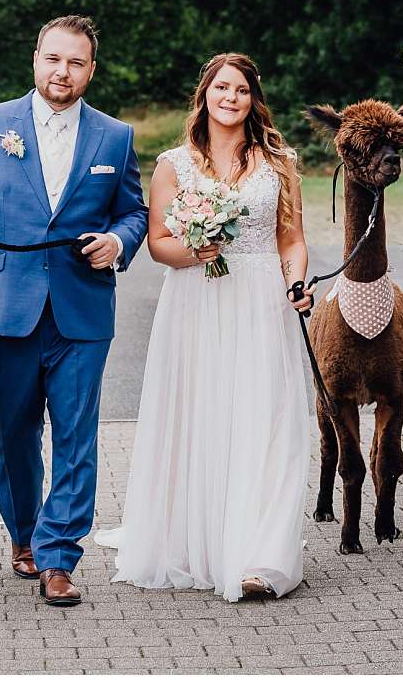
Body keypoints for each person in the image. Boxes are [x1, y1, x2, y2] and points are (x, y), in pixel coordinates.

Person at [0, 15, 149, 606]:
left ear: (91, 69)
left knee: (77, 438)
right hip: (6, 309)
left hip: (82, 311)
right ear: (36, 59)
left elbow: (132, 213)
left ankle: (60, 555)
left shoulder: (115, 137)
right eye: (54, 59)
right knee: (12, 433)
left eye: (76, 62)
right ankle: (24, 533)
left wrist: (120, 241)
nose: (63, 72)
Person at [94, 52, 313, 602]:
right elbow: (159, 243)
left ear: (253, 98)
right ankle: (197, 543)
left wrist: (296, 282)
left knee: (267, 421)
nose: (231, 97)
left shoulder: (280, 161)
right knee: (202, 417)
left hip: (263, 303)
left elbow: (292, 239)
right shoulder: (175, 163)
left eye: (241, 89)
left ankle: (264, 555)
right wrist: (196, 249)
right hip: (197, 303)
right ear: (205, 95)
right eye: (222, 88)